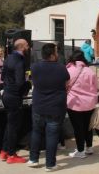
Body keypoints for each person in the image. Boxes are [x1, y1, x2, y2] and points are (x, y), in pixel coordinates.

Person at [27, 43, 70, 171]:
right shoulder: (61, 68)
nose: (58, 54)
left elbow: (31, 80)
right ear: (52, 55)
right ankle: (50, 164)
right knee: (52, 136)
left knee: (36, 132)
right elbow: (68, 83)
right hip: (56, 107)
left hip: (39, 105)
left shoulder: (34, 67)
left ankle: (33, 159)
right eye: (56, 52)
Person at [0, 38, 31, 164]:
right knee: (14, 126)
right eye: (27, 45)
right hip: (14, 96)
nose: (29, 47)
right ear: (22, 47)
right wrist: (28, 84)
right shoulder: (19, 61)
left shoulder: (9, 58)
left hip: (6, 93)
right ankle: (12, 154)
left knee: (10, 124)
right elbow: (20, 82)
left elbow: (2, 76)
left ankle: (4, 151)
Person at [66, 50, 99, 158]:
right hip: (90, 103)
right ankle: (89, 147)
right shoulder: (90, 71)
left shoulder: (69, 70)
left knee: (78, 128)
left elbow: (64, 86)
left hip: (74, 104)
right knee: (88, 127)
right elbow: (96, 87)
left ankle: (80, 151)